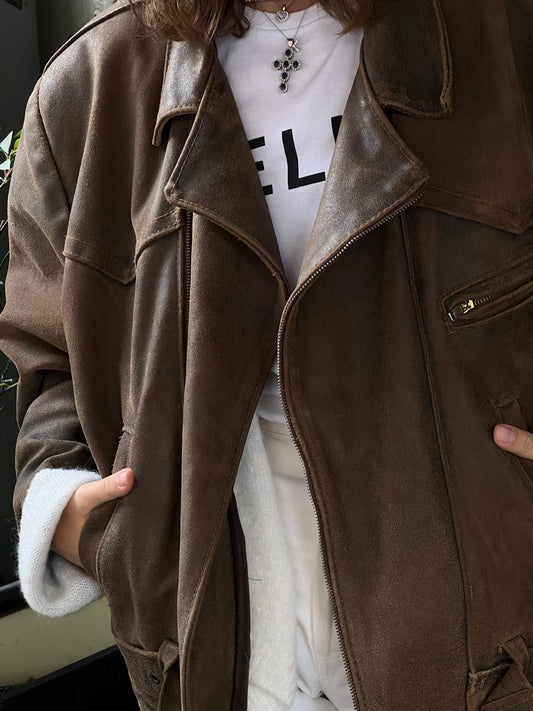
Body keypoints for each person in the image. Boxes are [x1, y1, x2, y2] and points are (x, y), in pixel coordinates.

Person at [0, 0, 532, 709]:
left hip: (479, 625)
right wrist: (74, 516)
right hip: (220, 622)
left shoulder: (501, 34)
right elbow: (49, 357)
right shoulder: (86, 93)